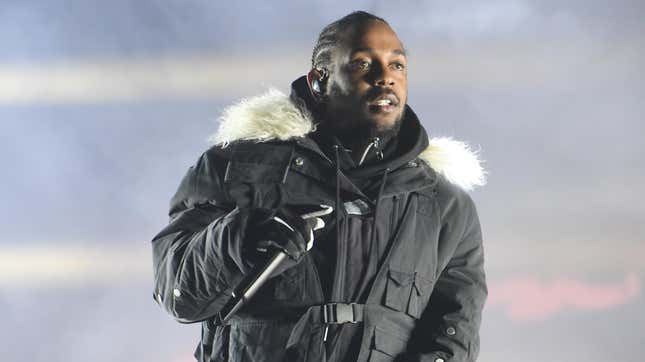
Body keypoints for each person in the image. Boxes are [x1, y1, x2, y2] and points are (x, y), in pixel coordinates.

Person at [151, 11, 487, 362]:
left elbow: (453, 332)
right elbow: (177, 294)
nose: (385, 78)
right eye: (362, 64)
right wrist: (242, 237)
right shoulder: (235, 169)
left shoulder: (444, 205)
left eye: (397, 66)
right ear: (319, 81)